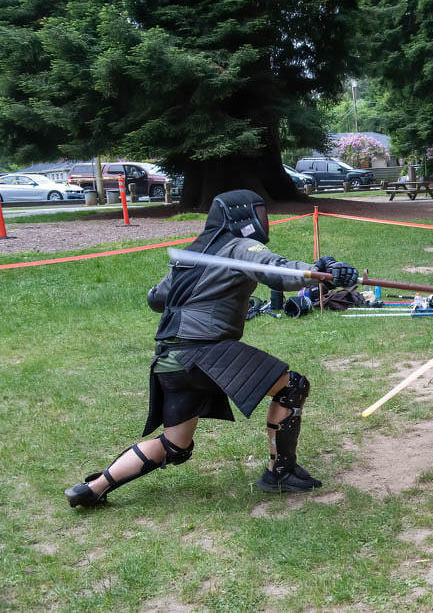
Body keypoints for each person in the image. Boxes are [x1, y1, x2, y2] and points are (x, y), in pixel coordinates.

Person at [65, 190, 359, 507]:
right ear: (242, 217)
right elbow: (276, 270)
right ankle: (279, 473)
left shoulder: (192, 253)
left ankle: (93, 489)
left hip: (169, 359)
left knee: (175, 445)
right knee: (291, 386)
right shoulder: (240, 246)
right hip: (203, 353)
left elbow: (155, 298)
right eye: (259, 213)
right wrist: (320, 272)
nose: (263, 220)